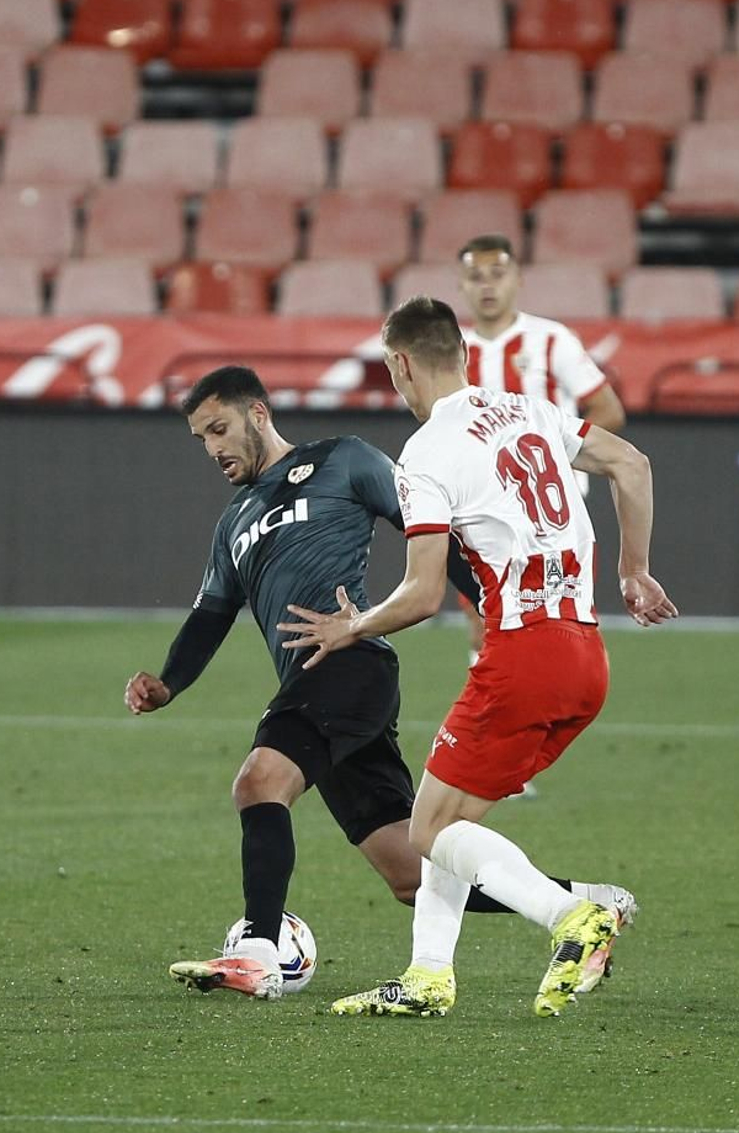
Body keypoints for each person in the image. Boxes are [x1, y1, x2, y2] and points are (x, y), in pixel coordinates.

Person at [125, 364, 632, 1003]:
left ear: (259, 413)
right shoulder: (234, 522)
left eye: (220, 429)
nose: (214, 449)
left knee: (259, 782)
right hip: (314, 683)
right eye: (202, 439)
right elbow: (210, 614)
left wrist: (490, 611)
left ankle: (257, 950)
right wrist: (168, 683)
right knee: (411, 871)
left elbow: (432, 531)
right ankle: (582, 903)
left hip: (351, 666)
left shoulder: (343, 461)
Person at [280, 299, 677, 1018]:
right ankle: (429, 976)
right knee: (444, 816)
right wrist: (634, 571)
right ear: (462, 350)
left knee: (428, 829)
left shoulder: (426, 451)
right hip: (585, 655)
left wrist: (353, 626)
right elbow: (632, 462)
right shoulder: (529, 409)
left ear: (401, 363)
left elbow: (424, 592)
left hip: (522, 655)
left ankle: (572, 915)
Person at [455, 234, 627, 663]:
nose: (487, 286)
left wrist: (544, 453)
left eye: (497, 275)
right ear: (461, 285)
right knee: (487, 628)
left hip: (552, 514)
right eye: (476, 277)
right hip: (481, 513)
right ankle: (496, 723)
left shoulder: (551, 340)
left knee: (560, 625)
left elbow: (608, 410)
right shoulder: (452, 351)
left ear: (517, 279)